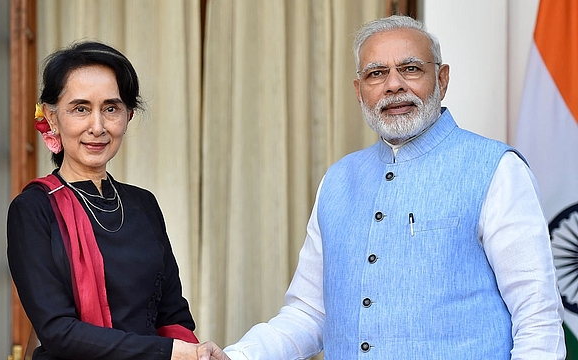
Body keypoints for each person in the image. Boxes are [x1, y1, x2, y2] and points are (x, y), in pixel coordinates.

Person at [197, 15, 566, 360]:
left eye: (410, 69)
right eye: (377, 73)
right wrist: (237, 356)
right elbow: (310, 312)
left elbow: (537, 315)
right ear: (360, 91)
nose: (393, 85)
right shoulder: (339, 180)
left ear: (442, 80)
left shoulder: (496, 169)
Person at [7, 41, 203, 360]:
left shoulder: (143, 205)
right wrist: (168, 352)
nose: (97, 127)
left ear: (128, 115)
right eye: (81, 109)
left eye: (110, 108)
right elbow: (58, 331)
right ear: (52, 118)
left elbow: (174, 315)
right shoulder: (34, 209)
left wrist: (189, 351)